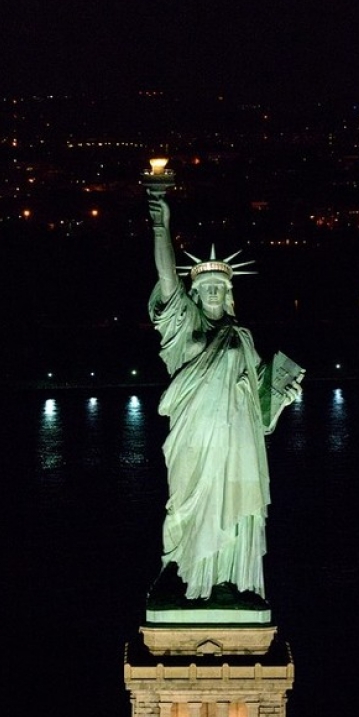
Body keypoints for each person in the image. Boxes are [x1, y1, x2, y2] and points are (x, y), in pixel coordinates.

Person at [146, 192, 300, 606]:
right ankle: (184, 574)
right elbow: (166, 279)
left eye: (220, 286)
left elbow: (261, 410)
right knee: (184, 504)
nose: (213, 291)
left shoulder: (242, 338)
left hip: (237, 443)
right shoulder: (184, 327)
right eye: (206, 286)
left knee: (234, 507)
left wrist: (283, 396)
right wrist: (162, 225)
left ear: (229, 293)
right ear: (195, 293)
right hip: (194, 440)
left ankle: (227, 580)